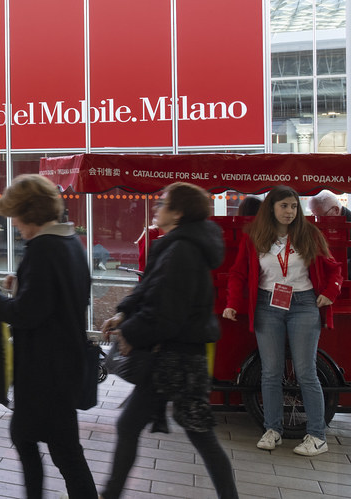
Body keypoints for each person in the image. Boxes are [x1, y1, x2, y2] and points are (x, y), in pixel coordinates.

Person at [101, 182, 237, 499]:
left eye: (163, 203)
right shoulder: (177, 245)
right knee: (136, 427)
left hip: (176, 361)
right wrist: (123, 314)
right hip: (174, 358)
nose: (156, 208)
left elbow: (168, 313)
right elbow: (151, 289)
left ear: (177, 212)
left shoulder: (182, 250)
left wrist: (131, 333)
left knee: (200, 435)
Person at [0, 174, 97, 499]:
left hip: (45, 372)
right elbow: (60, 299)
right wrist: (20, 286)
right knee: (50, 445)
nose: (14, 223)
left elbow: (28, 314)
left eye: (15, 215)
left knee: (49, 446)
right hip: (63, 367)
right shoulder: (70, 242)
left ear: (29, 213)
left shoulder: (43, 248)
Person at [223, 185, 343, 456]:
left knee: (305, 372)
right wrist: (232, 303)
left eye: (293, 206)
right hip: (268, 305)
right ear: (271, 208)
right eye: (284, 206)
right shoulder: (255, 236)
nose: (289, 212)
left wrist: (329, 293)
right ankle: (272, 429)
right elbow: (237, 273)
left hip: (304, 305)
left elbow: (334, 268)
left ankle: (317, 436)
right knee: (271, 371)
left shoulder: (309, 233)